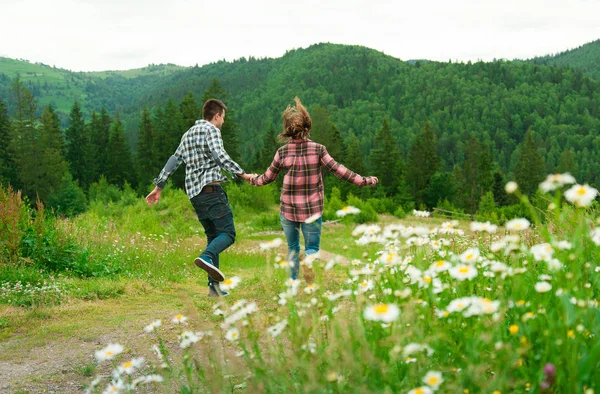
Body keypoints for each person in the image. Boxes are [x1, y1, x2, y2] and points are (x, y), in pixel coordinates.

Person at [247, 97, 378, 280]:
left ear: (288, 130)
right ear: (307, 127)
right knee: (312, 248)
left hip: (289, 209)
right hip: (312, 209)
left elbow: (267, 178)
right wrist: (365, 181)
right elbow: (339, 170)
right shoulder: (318, 149)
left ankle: (293, 283)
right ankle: (309, 261)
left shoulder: (282, 152)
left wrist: (252, 179)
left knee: (292, 248)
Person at [146, 98, 252, 297]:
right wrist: (243, 174)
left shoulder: (187, 134)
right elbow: (219, 155)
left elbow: (173, 160)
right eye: (223, 118)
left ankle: (214, 289)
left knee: (213, 236)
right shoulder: (212, 130)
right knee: (228, 234)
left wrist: (159, 186)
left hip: (195, 196)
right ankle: (207, 256)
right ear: (217, 115)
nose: (223, 122)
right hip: (212, 192)